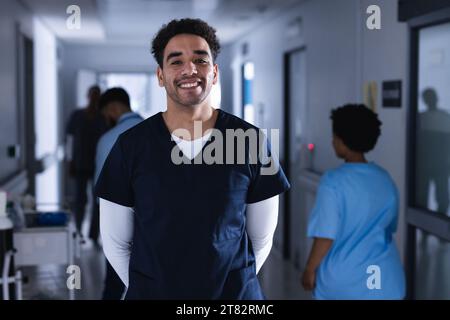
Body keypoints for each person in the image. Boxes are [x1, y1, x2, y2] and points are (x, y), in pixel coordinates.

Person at [95, 18, 290, 299]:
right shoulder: (131, 147)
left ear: (214, 72)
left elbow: (261, 240)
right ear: (160, 76)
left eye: (200, 60)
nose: (190, 69)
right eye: (176, 61)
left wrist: (227, 287)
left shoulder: (251, 141)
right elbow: (115, 243)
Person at [301, 104, 405, 299]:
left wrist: (309, 269)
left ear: (341, 141)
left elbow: (325, 235)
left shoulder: (333, 182)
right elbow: (389, 228)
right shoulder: (385, 179)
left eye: (334, 136)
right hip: (386, 279)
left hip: (344, 282)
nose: (332, 141)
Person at [95, 87, 143, 299]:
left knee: (114, 282)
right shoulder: (161, 133)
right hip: (155, 220)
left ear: (112, 108)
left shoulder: (108, 139)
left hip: (119, 221)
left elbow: (102, 192)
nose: (107, 118)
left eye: (106, 113)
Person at [66, 85, 108, 244]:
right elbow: (70, 139)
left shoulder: (103, 117)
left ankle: (93, 234)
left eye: (97, 95)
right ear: (88, 96)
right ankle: (78, 231)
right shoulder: (77, 115)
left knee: (98, 200)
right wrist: (70, 160)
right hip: (80, 164)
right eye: (93, 95)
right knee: (80, 199)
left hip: (98, 165)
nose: (95, 98)